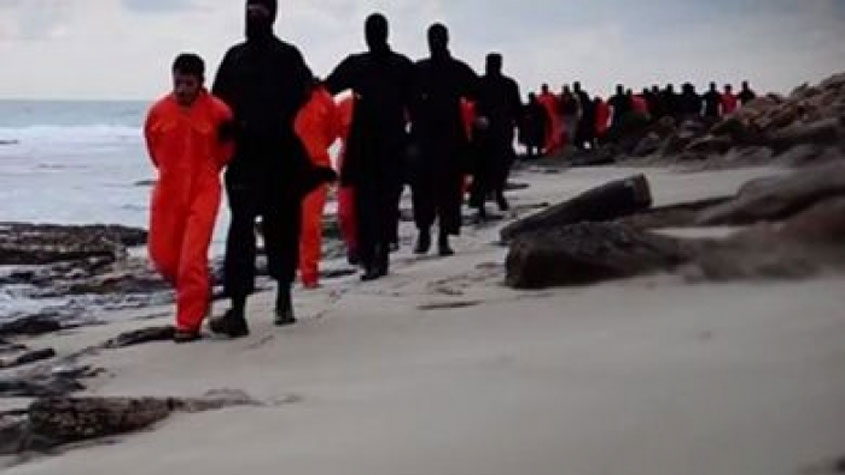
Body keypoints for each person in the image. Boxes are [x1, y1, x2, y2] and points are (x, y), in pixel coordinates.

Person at [210, 0, 335, 337]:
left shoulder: (280, 56)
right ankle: (248, 308)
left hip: (273, 154)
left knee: (275, 228)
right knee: (246, 230)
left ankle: (277, 299)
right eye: (251, 8)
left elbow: (301, 95)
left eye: (260, 9)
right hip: (254, 155)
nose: (254, 14)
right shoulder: (241, 57)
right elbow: (217, 106)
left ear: (273, 14)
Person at [144, 54, 234, 343]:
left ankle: (188, 323)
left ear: (201, 82)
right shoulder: (158, 112)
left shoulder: (219, 112)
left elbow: (227, 151)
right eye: (178, 83)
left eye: (188, 84)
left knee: (191, 259)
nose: (182, 89)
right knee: (162, 257)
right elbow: (153, 149)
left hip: (203, 190)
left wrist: (207, 172)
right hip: (168, 190)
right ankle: (200, 291)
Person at [325, 13, 415, 281]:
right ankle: (379, 254)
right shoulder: (401, 65)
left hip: (368, 143)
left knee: (370, 202)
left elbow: (326, 89)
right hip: (389, 142)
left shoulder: (358, 64)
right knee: (383, 201)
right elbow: (419, 103)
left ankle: (373, 257)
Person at [410, 23, 479, 256]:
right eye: (433, 38)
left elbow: (479, 92)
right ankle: (427, 232)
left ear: (446, 40)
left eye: (438, 38)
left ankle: (441, 237)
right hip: (429, 137)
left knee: (445, 190)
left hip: (446, 137)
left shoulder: (455, 69)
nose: (435, 42)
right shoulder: (421, 69)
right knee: (426, 188)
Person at [295, 81, 342, 289]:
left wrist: (317, 148)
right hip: (286, 168)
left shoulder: (323, 98)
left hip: (316, 166)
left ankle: (309, 273)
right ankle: (288, 272)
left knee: (310, 224)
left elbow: (332, 130)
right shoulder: (281, 94)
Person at [470, 53, 522, 219]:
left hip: (492, 130)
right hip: (494, 130)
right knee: (493, 165)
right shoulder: (506, 84)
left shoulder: (481, 83)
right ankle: (492, 195)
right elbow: (517, 109)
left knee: (487, 165)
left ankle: (489, 196)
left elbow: (517, 108)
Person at [335, 95, 359, 265]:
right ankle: (353, 244)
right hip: (348, 160)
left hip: (375, 158)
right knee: (346, 212)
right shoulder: (344, 105)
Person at [537, 84, 562, 155]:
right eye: (543, 88)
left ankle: (552, 147)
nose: (544, 89)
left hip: (552, 117)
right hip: (544, 118)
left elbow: (558, 104)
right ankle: (547, 148)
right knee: (546, 133)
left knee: (553, 133)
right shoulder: (539, 97)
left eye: (545, 88)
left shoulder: (551, 96)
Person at [521, 93, 547, 158]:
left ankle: (532, 153)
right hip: (534, 125)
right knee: (536, 140)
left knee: (532, 140)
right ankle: (536, 153)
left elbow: (543, 116)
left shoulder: (528, 107)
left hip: (532, 125)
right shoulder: (539, 106)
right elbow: (544, 116)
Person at [573, 81, 595, 150]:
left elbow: (588, 104)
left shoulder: (581, 94)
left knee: (586, 132)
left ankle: (589, 145)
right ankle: (581, 146)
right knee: (580, 133)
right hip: (579, 117)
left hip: (584, 116)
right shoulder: (574, 95)